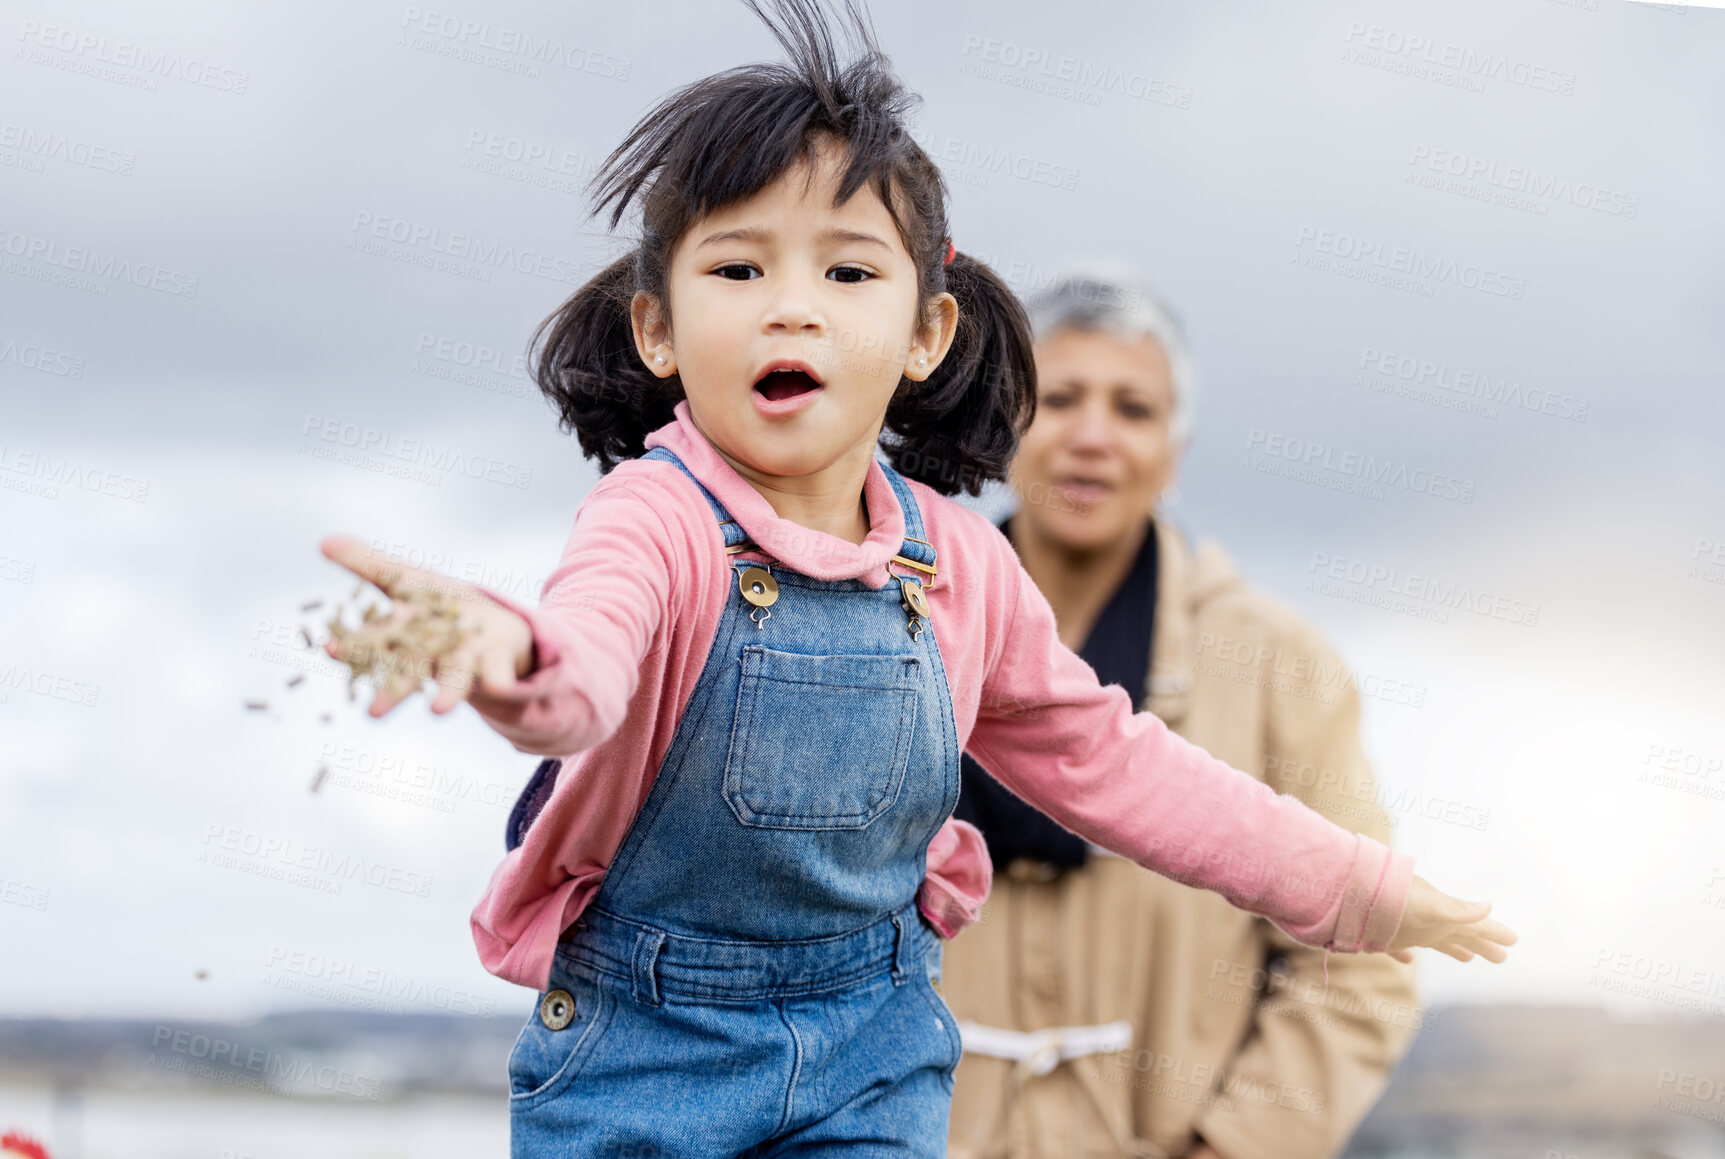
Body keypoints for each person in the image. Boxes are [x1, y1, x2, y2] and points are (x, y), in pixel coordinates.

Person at [315, 3, 1514, 1154]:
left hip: (870, 1060)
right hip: (645, 1058)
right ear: (657, 330)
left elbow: (1121, 768)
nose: (793, 307)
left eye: (848, 273)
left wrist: (1360, 891)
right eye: (737, 271)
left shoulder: (959, 568)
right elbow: (586, 668)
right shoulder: (655, 522)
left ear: (928, 331)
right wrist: (507, 656)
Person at [943, 265, 1425, 1159]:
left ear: (1176, 447)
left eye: (1133, 409)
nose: (1093, 437)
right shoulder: (899, 630)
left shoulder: (1281, 666)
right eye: (1061, 400)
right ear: (1006, 424)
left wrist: (1232, 1148)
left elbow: (1358, 957)